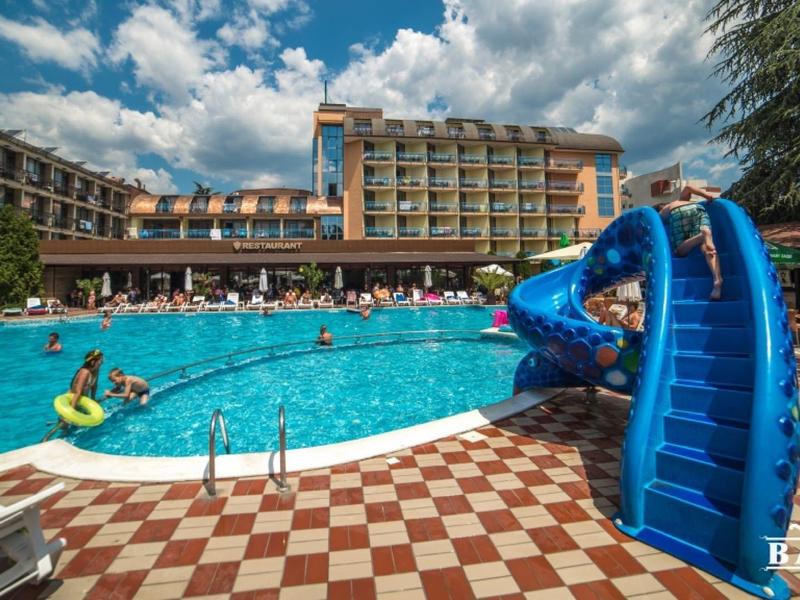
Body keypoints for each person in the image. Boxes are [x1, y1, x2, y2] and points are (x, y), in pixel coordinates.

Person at [657, 185, 723, 300]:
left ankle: (701, 236)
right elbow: (688, 187)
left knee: (679, 251)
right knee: (708, 248)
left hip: (678, 213)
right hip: (698, 208)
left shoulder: (663, 211)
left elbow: (656, 227)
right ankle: (717, 280)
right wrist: (707, 196)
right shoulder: (681, 199)